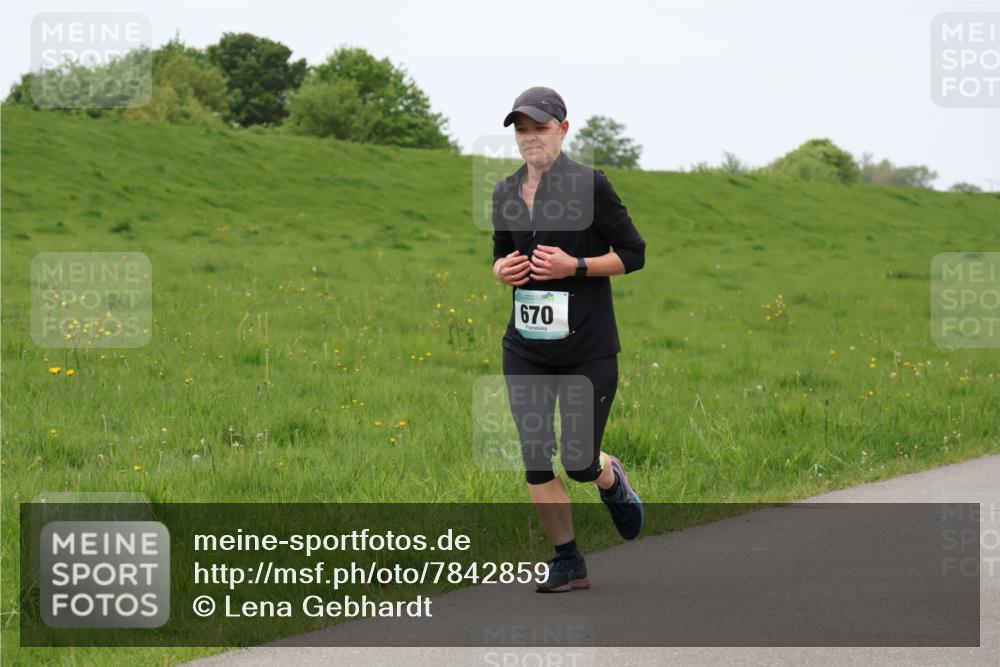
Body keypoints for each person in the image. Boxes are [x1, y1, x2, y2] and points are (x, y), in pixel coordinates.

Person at [491, 86, 647, 593]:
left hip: (588, 347)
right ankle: (568, 560)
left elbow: (633, 253)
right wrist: (502, 269)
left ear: (563, 129)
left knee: (579, 461)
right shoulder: (506, 192)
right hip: (526, 346)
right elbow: (499, 253)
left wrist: (575, 266)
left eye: (539, 127)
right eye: (522, 129)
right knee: (536, 454)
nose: (529, 137)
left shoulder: (591, 185)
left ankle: (609, 477)